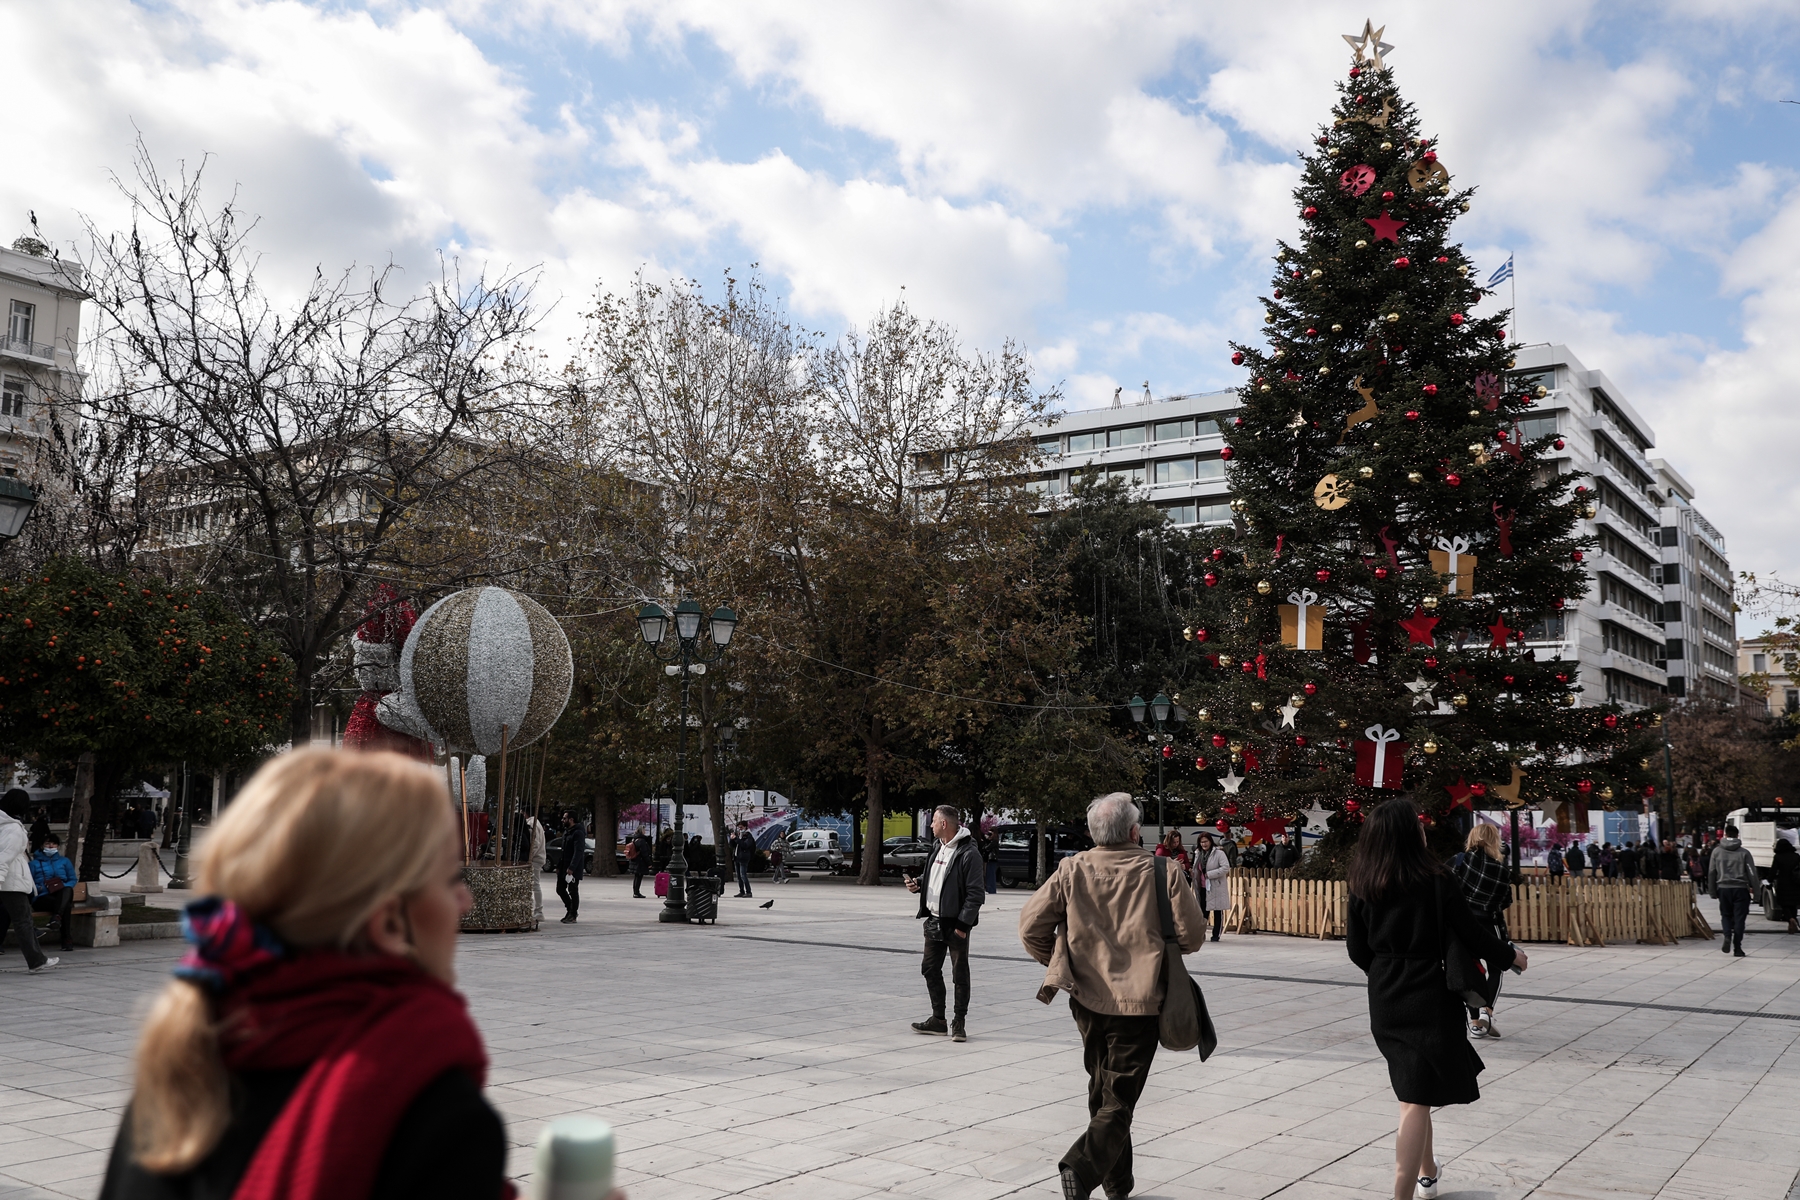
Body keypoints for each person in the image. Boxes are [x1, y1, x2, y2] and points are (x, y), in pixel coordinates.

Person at [95, 747, 537, 1200]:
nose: (464, 902)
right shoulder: (434, 1111)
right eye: (450, 879)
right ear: (387, 922)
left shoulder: (183, 1066)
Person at [1020, 793, 1204, 1200]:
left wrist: (1063, 962)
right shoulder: (1163, 871)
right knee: (1118, 1098)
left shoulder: (1071, 869)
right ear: (1135, 832)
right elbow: (1192, 937)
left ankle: (1118, 1185)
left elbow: (1031, 927)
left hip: (1086, 1000)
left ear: (1092, 832)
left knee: (1102, 1089)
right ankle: (1081, 1168)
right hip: (1140, 1002)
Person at [1347, 798, 1526, 1200]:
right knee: (1413, 1099)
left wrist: (1384, 974)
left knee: (1415, 1089)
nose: (1424, 827)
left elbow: (1357, 950)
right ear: (1408, 834)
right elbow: (1471, 934)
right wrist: (1510, 955)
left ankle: (1427, 1170)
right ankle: (1401, 1196)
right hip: (1430, 992)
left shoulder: (1362, 880)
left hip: (1386, 995)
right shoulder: (1437, 878)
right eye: (1418, 823)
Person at [905, 805, 985, 1043]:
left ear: (944, 824)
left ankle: (958, 1022)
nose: (930, 825)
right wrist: (919, 883)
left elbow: (975, 895)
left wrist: (962, 926)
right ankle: (938, 1020)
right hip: (933, 921)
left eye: (933, 822)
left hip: (955, 924)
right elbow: (936, 877)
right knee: (929, 969)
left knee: (960, 974)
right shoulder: (937, 847)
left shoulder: (969, 853)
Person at [1450, 825, 1513, 1039]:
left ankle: (1474, 1022)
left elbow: (1445, 887)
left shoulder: (1460, 860)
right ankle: (1488, 1011)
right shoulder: (1502, 868)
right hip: (1491, 924)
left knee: (1472, 970)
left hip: (1464, 923)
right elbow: (1506, 901)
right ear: (1495, 840)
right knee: (1496, 970)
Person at [0, 792, 58, 972]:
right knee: (23, 921)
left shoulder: (3, 825)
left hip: (8, 880)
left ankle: (37, 960)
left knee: (21, 920)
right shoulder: (13, 829)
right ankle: (36, 961)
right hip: (11, 882)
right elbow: (4, 858)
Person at [1709, 824, 1757, 957]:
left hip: (1723, 888)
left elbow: (1712, 872)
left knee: (1725, 915)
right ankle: (1738, 947)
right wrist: (1757, 893)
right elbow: (1752, 873)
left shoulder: (1716, 852)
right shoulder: (1744, 853)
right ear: (1737, 835)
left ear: (1725, 835)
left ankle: (1727, 936)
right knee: (1739, 918)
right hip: (1741, 889)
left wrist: (1712, 891)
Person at [30, 834, 78, 953]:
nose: (51, 846)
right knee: (65, 906)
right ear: (42, 846)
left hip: (61, 894)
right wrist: (40, 888)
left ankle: (56, 917)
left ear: (57, 846)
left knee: (67, 891)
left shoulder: (64, 861)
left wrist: (61, 886)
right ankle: (66, 939)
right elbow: (29, 882)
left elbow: (72, 879)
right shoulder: (33, 864)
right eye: (47, 844)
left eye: (53, 844)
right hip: (42, 897)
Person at [1192, 831, 1230, 943]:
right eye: (1202, 842)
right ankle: (1201, 934)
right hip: (1203, 886)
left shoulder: (1219, 853)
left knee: (1217, 910)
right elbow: (1196, 867)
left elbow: (1225, 867)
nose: (1204, 844)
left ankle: (1216, 935)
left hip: (1216, 885)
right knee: (1203, 911)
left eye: (1206, 841)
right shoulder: (1198, 853)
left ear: (1210, 841)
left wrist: (1210, 874)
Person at [555, 810, 585, 923]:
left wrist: (572, 867)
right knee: (560, 889)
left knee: (573, 890)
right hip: (563, 866)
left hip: (572, 868)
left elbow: (578, 851)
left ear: (571, 820)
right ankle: (570, 909)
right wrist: (558, 866)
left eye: (564, 818)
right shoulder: (567, 832)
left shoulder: (578, 833)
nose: (562, 820)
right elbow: (563, 851)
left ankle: (573, 914)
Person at [1773, 838, 1800, 935]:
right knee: (1793, 904)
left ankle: (1790, 919)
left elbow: (1773, 870)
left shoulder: (1778, 857)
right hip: (1796, 884)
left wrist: (1769, 880)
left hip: (1783, 883)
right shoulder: (1796, 856)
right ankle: (1794, 920)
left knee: (1784, 904)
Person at [528, 812, 548, 925]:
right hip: (539, 857)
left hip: (535, 858)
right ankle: (538, 910)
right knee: (535, 884)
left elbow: (535, 843)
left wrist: (529, 858)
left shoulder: (532, 824)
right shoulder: (537, 823)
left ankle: (539, 910)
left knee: (535, 884)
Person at [732, 821, 756, 898]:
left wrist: (737, 839)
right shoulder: (739, 835)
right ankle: (741, 891)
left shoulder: (748, 836)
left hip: (743, 858)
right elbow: (733, 845)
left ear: (745, 827)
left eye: (741, 827)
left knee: (743, 875)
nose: (739, 829)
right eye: (739, 827)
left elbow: (745, 845)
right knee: (738, 876)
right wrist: (732, 839)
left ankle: (749, 892)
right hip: (737, 857)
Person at [628, 828, 651, 898]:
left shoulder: (635, 839)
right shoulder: (642, 841)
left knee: (636, 877)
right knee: (639, 877)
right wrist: (649, 863)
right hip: (640, 861)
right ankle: (637, 892)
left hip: (635, 860)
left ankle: (635, 892)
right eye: (644, 830)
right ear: (641, 831)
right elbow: (644, 853)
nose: (645, 831)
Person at [981, 828, 1000, 895]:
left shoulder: (994, 841)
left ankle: (991, 889)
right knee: (989, 874)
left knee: (991, 874)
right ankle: (990, 888)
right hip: (991, 859)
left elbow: (987, 848)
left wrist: (988, 839)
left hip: (992, 859)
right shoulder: (992, 840)